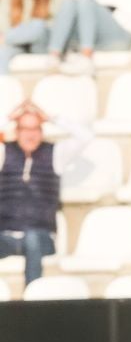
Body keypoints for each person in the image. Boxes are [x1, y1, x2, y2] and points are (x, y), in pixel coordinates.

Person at [0, 101, 90, 285]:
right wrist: (8, 118)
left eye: (35, 128)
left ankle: (31, 299)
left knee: (32, 239)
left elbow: (86, 136)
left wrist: (51, 118)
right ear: (17, 131)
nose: (30, 134)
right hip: (7, 235)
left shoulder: (56, 154)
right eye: (25, 128)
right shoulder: (4, 154)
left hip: (42, 236)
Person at [0, 0, 61, 73]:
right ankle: (5, 87)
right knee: (2, 54)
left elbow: (59, 17)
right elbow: (3, 17)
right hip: (17, 40)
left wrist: (8, 37)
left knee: (38, 25)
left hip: (42, 40)